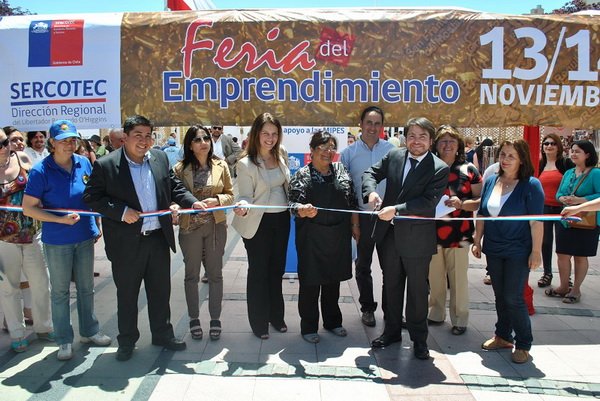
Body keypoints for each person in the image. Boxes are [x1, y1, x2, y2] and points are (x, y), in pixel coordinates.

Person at [83, 115, 202, 361]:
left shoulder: (159, 158)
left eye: (148, 135)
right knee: (127, 295)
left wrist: (192, 203)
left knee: (160, 291)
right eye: (138, 135)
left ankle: (163, 334)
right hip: (126, 244)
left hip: (157, 239)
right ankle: (127, 341)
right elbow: (92, 198)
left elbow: (174, 186)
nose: (144, 141)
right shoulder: (106, 165)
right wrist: (121, 212)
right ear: (125, 137)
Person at [22, 120, 111, 361]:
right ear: (52, 142)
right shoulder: (41, 170)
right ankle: (63, 339)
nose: (69, 144)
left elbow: (92, 196)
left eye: (73, 140)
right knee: (60, 292)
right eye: (63, 141)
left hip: (84, 236)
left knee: (86, 287)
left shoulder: (84, 163)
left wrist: (96, 224)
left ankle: (89, 331)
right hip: (58, 240)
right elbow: (29, 208)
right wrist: (60, 220)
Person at [362, 117, 449, 360]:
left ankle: (419, 340)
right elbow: (371, 172)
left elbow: (428, 201)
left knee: (417, 292)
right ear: (405, 137)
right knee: (391, 286)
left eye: (422, 136)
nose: (416, 141)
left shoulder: (439, 168)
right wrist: (370, 192)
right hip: (389, 236)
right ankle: (391, 332)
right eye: (412, 136)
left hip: (417, 239)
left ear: (431, 140)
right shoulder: (395, 155)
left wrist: (396, 210)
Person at [472, 139, 544, 364]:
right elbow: (482, 213)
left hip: (518, 249)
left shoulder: (531, 185)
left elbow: (537, 222)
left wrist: (536, 251)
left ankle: (523, 343)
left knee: (513, 297)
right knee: (500, 296)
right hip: (494, 248)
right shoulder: (491, 180)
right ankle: (502, 336)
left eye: (511, 156)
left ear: (522, 159)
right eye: (503, 154)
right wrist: (477, 240)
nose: (505, 159)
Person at [289, 130, 358, 343]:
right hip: (311, 237)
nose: (328, 152)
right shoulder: (302, 174)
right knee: (310, 283)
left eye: (331, 148)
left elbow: (352, 201)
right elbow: (292, 204)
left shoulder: (341, 171)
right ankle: (309, 326)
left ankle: (333, 322)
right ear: (312, 150)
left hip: (338, 235)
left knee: (332, 281)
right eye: (323, 147)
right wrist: (303, 210)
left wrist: (355, 225)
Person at [172, 125, 234, 341]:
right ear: (190, 145)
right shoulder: (180, 169)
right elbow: (173, 195)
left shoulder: (220, 165)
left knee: (215, 274)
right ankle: (194, 318)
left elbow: (230, 194)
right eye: (197, 140)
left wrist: (217, 200)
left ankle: (215, 318)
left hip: (216, 227)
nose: (203, 143)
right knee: (191, 275)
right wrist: (174, 206)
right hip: (190, 228)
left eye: (206, 138)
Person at [232, 112, 290, 340]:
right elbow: (245, 195)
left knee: (277, 270)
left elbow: (286, 185)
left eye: (274, 134)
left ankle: (276, 317)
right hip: (258, 222)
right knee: (259, 272)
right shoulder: (245, 164)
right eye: (265, 133)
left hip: (281, 220)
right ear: (256, 134)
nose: (270, 138)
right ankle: (259, 322)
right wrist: (243, 205)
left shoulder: (281, 153)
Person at [0, 128, 54, 353]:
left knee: (41, 283)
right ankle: (17, 333)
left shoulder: (22, 158)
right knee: (8, 288)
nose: (4, 148)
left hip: (32, 233)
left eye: (5, 142)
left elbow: (37, 188)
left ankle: (44, 326)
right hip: (3, 240)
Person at [340, 106, 394, 327]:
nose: (373, 127)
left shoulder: (392, 151)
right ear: (360, 124)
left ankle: (391, 311)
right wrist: (354, 222)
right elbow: (346, 190)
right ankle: (367, 308)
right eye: (369, 123)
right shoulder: (348, 154)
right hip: (361, 217)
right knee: (363, 266)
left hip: (387, 218)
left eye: (377, 123)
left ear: (382, 126)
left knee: (390, 267)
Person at [427, 125, 481, 335]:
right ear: (436, 144)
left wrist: (462, 204)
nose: (447, 145)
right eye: (443, 140)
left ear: (459, 144)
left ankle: (460, 318)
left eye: (451, 141)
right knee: (435, 277)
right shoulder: (428, 167)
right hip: (431, 231)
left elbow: (480, 201)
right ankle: (436, 313)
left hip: (460, 232)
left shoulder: (469, 169)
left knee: (458, 278)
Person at [546, 140, 600, 304]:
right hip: (566, 221)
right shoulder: (569, 172)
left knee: (580, 256)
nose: (573, 154)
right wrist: (563, 198)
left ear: (587, 154)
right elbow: (559, 193)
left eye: (577, 151)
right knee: (562, 254)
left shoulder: (595, 173)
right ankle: (563, 286)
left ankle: (575, 290)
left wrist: (580, 200)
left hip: (586, 222)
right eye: (572, 151)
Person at [536, 134, 574, 288]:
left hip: (562, 209)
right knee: (545, 242)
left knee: (563, 244)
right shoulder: (539, 164)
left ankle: (566, 277)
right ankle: (547, 273)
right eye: (546, 143)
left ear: (558, 146)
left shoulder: (565, 163)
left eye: (553, 143)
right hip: (544, 208)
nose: (549, 146)